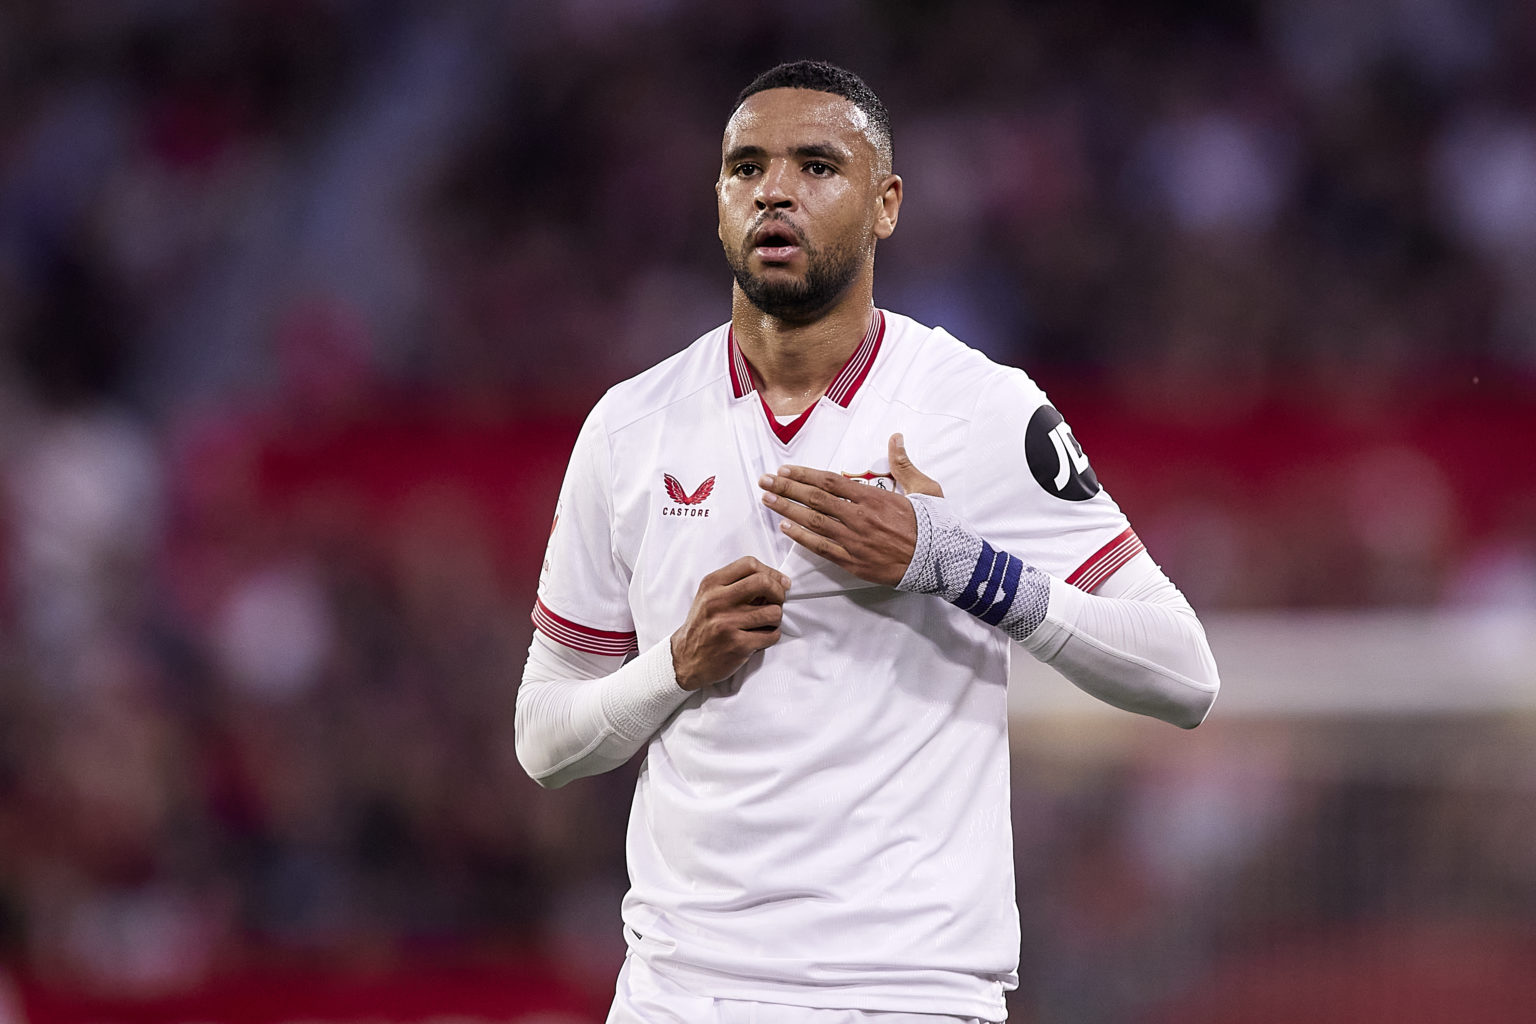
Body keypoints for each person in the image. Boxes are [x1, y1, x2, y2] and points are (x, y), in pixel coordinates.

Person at [516, 60, 1220, 1024]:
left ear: (886, 204)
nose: (775, 189)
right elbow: (544, 738)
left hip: (908, 994)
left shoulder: (983, 410)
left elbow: (1183, 674)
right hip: (680, 993)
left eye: (817, 165)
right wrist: (675, 665)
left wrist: (954, 563)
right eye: (747, 166)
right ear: (718, 198)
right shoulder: (630, 428)